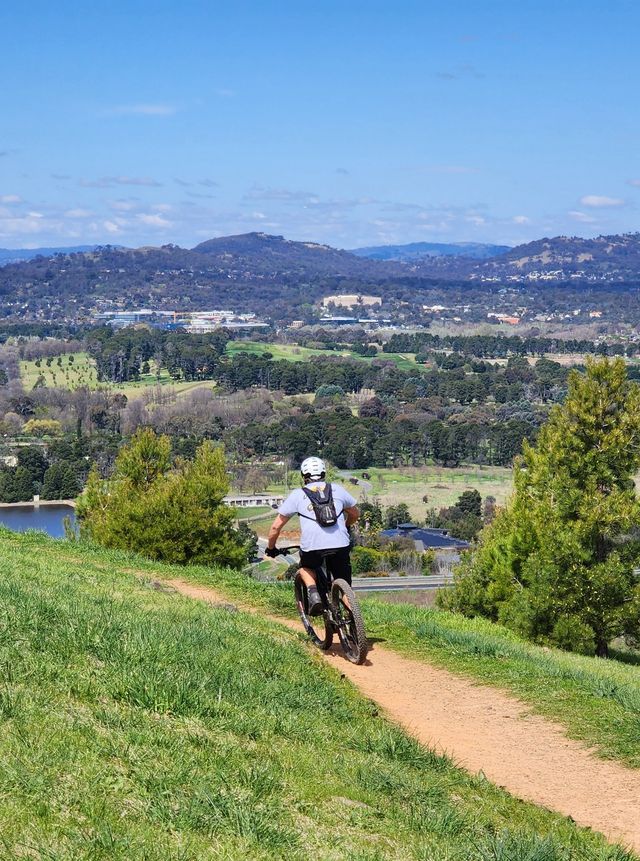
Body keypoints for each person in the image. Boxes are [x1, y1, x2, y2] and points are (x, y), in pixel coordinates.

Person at [266, 457, 359, 615]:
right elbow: (355, 514)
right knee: (346, 587)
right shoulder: (337, 489)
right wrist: (346, 525)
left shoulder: (297, 495)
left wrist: (271, 548)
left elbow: (276, 526)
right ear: (324, 473)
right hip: (340, 544)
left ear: (304, 475)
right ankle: (355, 624)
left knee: (306, 568)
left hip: (313, 546)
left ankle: (314, 594)